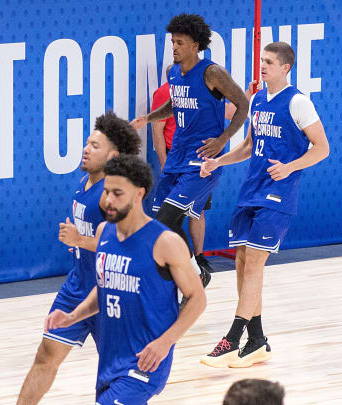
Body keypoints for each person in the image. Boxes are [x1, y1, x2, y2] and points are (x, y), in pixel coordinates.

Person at [199, 42, 329, 367]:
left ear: (286, 67)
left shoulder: (299, 102)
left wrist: (290, 167)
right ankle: (256, 341)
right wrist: (219, 161)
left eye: (269, 62)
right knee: (242, 263)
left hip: (278, 194)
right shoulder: (257, 99)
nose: (263, 66)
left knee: (255, 263)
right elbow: (247, 146)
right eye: (261, 60)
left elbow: (322, 148)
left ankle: (232, 337)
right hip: (251, 190)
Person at [45, 154, 206, 404]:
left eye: (117, 193)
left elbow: (197, 298)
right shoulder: (103, 232)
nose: (108, 200)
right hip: (111, 360)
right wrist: (72, 316)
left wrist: (166, 342)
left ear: (138, 194)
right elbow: (105, 289)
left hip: (145, 363)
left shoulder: (166, 242)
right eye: (107, 192)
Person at [16, 111, 140, 405]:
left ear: (114, 156)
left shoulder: (112, 194)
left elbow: (125, 246)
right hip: (77, 286)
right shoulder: (84, 182)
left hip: (109, 295)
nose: (86, 149)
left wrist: (79, 240)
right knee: (46, 355)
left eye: (95, 146)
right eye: (87, 143)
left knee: (118, 376)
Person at [131, 14, 250, 290]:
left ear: (195, 45)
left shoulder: (212, 73)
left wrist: (223, 139)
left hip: (201, 161)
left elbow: (242, 105)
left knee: (165, 220)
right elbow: (176, 103)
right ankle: (198, 273)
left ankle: (185, 277)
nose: (174, 47)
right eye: (172, 41)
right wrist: (148, 118)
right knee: (163, 225)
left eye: (180, 42)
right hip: (176, 158)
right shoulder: (174, 72)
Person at [150, 63, 214, 275]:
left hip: (198, 158)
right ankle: (178, 261)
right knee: (170, 213)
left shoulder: (200, 92)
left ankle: (199, 257)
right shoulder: (162, 93)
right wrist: (164, 162)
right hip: (175, 157)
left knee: (197, 210)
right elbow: (157, 131)